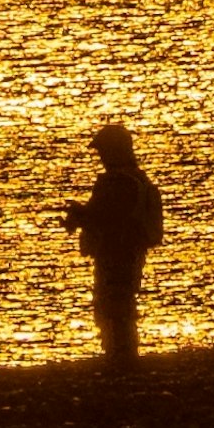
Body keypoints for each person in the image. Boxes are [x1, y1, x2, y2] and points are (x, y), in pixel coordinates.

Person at [59, 120, 164, 363]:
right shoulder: (134, 179)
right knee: (117, 301)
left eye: (104, 150)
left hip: (118, 252)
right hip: (124, 251)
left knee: (114, 303)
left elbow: (109, 216)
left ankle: (121, 354)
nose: (101, 156)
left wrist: (80, 216)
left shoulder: (121, 182)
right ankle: (121, 352)